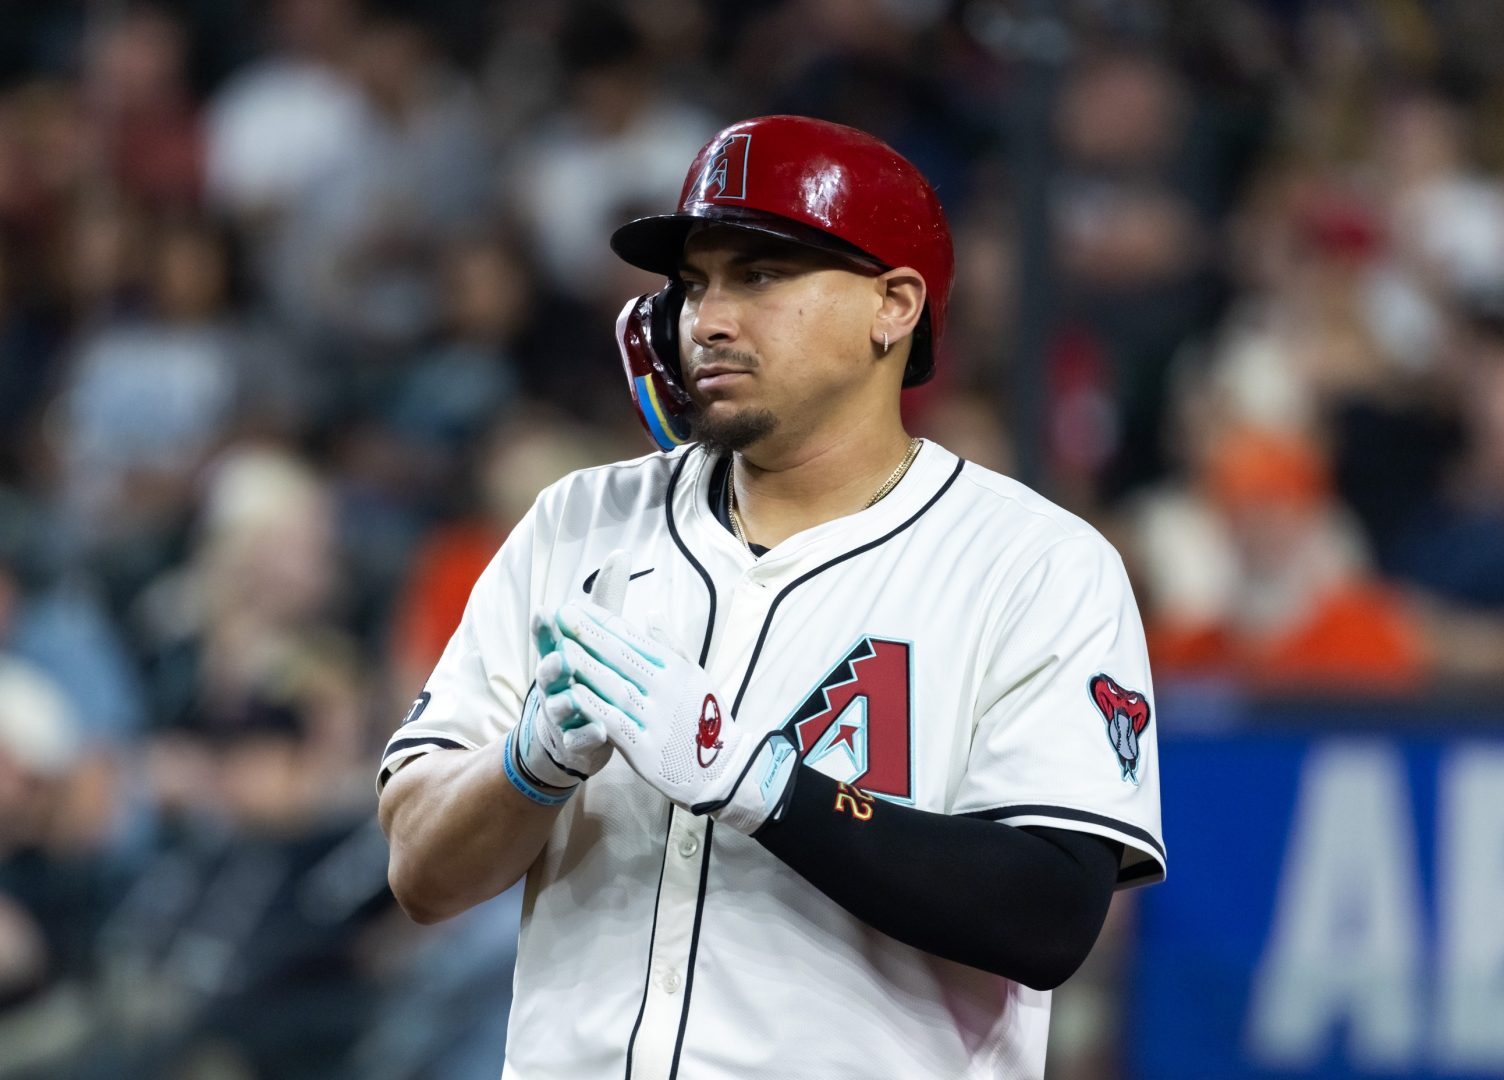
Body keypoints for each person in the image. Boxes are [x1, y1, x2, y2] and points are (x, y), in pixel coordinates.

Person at [378, 115, 1166, 1080]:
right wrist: (529, 763)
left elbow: (1050, 914)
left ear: (894, 305)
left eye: (761, 276)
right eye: (696, 282)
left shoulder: (1033, 563)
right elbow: (419, 870)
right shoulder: (579, 522)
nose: (706, 318)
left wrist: (760, 783)